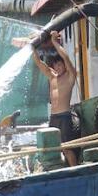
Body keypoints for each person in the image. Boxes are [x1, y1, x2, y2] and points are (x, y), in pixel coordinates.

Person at [31, 30, 80, 166]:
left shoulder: (70, 76)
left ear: (64, 66)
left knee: (67, 149)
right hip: (54, 117)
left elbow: (66, 58)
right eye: (56, 65)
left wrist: (54, 42)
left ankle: (74, 171)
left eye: (60, 65)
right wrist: (32, 47)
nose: (58, 67)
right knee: (52, 148)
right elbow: (39, 62)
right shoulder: (52, 76)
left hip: (65, 117)